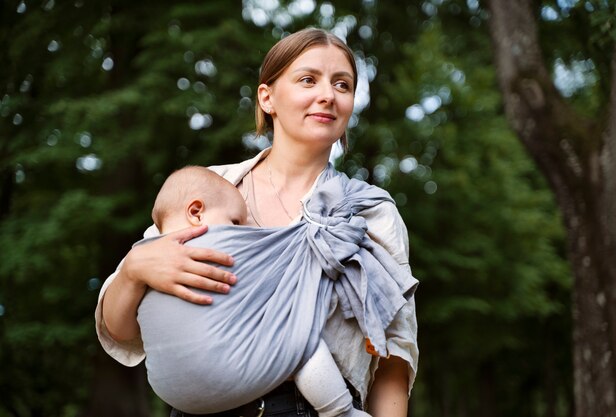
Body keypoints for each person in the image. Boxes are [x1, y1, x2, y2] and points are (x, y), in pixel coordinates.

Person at [96, 28, 418, 417]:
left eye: (342, 84)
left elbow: (393, 355)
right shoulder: (206, 191)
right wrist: (133, 270)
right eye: (307, 80)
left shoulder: (370, 212)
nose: (328, 95)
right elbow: (124, 330)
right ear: (267, 98)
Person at [140, 164, 407, 416]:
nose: (244, 230)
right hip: (262, 385)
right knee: (301, 341)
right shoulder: (219, 185)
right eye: (235, 223)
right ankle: (339, 410)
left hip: (179, 396)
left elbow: (396, 353)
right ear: (196, 212)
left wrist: (132, 269)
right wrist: (131, 272)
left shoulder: (148, 252)